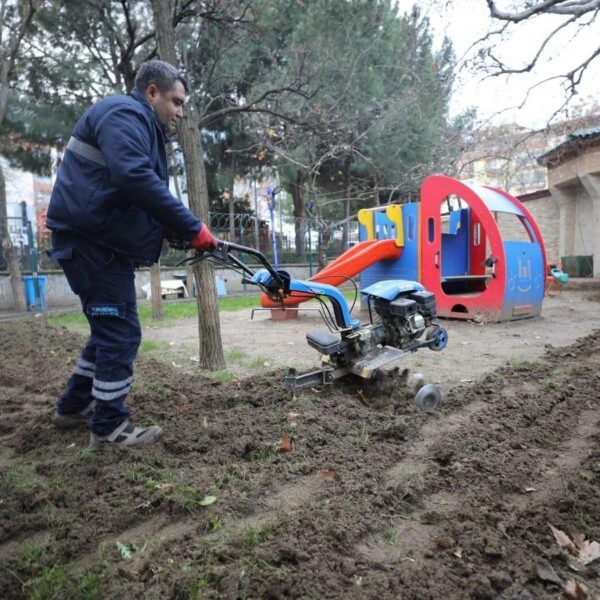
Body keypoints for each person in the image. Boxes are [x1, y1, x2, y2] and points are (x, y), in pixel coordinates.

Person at [46, 60, 218, 448]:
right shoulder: (124, 113)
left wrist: (172, 229)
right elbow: (133, 177)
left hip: (98, 243)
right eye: (175, 102)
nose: (179, 112)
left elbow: (128, 191)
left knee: (107, 333)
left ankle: (73, 407)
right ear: (152, 92)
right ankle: (108, 427)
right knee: (121, 335)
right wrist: (193, 227)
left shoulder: (136, 123)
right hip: (92, 246)